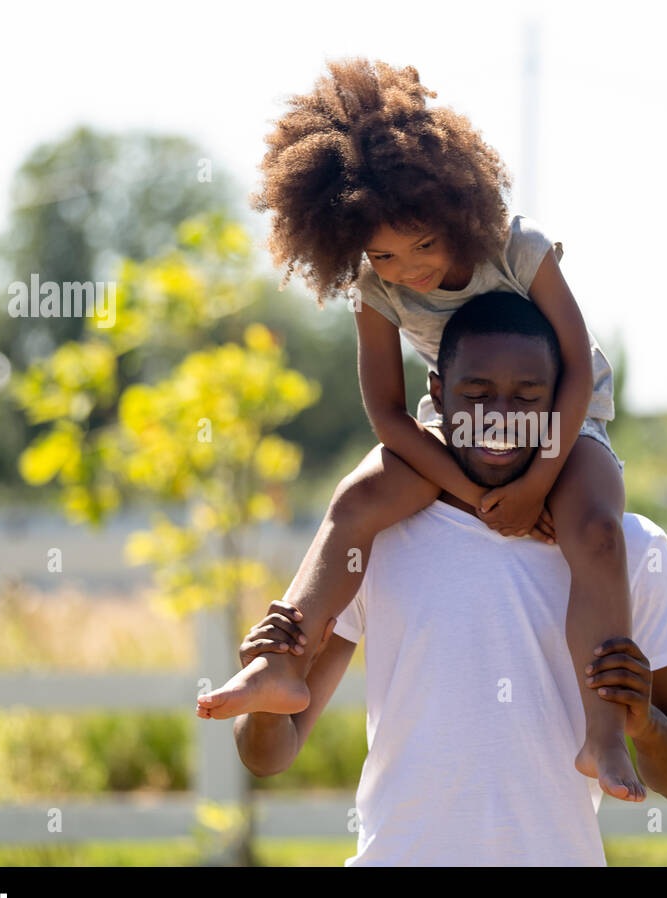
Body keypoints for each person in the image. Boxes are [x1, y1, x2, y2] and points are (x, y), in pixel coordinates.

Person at [198, 57, 643, 800]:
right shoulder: (375, 290)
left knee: (598, 531)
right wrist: (467, 486)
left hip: (562, 411)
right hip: (457, 422)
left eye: (423, 245)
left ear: (455, 208)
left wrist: (537, 482)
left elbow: (572, 365)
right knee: (355, 501)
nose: (407, 269)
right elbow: (389, 415)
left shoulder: (517, 246)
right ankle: (282, 659)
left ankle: (603, 736)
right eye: (383, 254)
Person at [221, 293, 667, 865]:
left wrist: (642, 721)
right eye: (475, 395)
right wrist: (266, 701)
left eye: (528, 398)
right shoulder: (378, 536)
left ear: (563, 408)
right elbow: (271, 754)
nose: (498, 417)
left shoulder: (627, 548)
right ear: (435, 396)